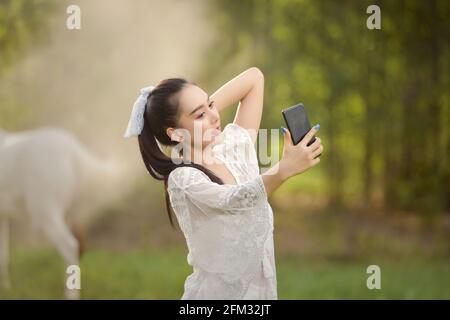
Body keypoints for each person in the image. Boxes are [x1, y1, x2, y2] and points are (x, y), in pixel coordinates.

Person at [123, 67, 323, 299]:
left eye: (212, 105)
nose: (215, 115)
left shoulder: (232, 147)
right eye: (200, 115)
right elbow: (236, 199)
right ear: (175, 134)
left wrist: (199, 109)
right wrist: (283, 169)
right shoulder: (183, 178)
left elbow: (254, 78)